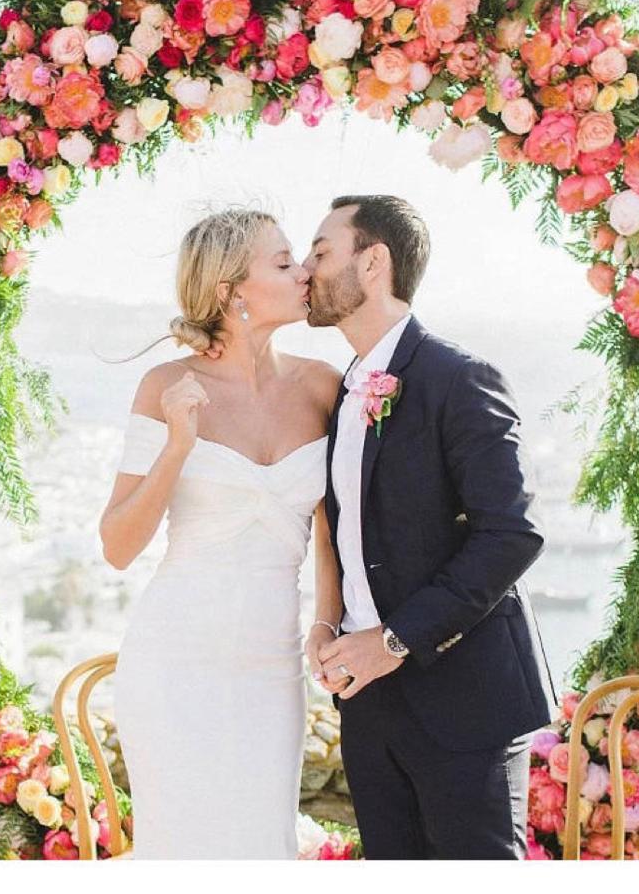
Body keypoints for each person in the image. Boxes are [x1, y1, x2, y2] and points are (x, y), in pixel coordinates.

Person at [301, 194, 560, 860]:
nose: (305, 268)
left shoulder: (459, 378)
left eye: (322, 251)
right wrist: (330, 624)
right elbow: (348, 533)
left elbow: (511, 535)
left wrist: (390, 641)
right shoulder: (344, 389)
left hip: (462, 698)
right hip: (367, 705)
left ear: (373, 262)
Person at [99, 206, 343, 859]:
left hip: (273, 664)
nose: (304, 274)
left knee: (266, 847)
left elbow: (331, 535)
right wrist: (177, 445)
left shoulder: (324, 387)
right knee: (180, 851)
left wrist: (325, 623)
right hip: (173, 660)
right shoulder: (166, 386)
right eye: (284, 262)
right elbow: (118, 546)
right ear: (232, 290)